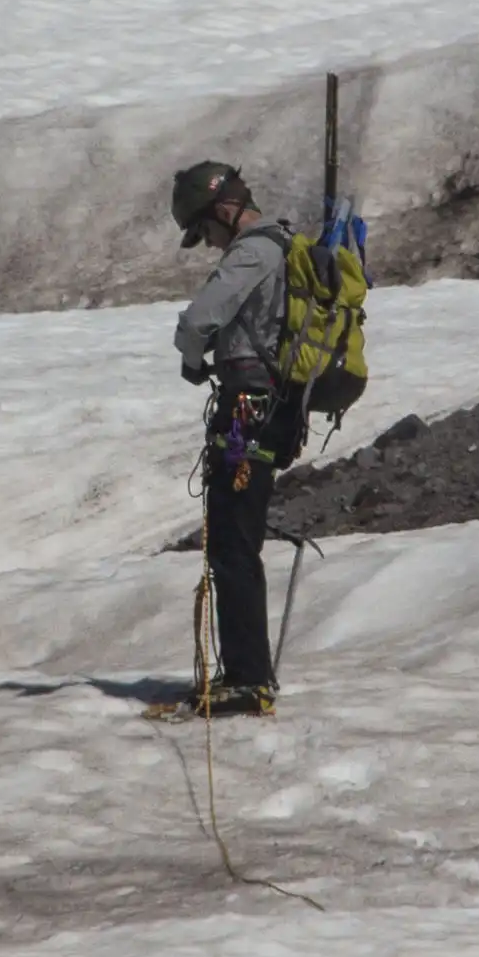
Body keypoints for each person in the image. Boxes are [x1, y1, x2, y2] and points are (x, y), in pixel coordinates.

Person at [169, 158, 297, 714]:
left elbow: (198, 320)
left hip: (246, 406)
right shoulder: (288, 247)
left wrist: (193, 360)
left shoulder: (254, 251)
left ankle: (247, 679)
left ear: (224, 210)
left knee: (232, 543)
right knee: (236, 539)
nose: (208, 245)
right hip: (273, 406)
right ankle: (245, 671)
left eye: (205, 232)